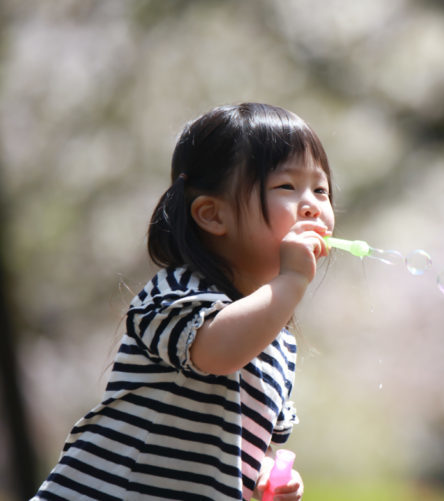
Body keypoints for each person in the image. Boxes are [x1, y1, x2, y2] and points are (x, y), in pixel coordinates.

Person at [33, 102, 335, 500]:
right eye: (286, 187)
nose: (312, 204)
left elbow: (245, 445)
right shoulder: (175, 293)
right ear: (213, 215)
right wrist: (292, 279)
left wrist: (264, 476)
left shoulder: (278, 343)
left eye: (321, 190)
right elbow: (218, 351)